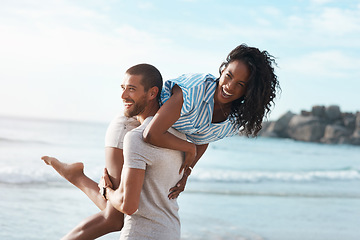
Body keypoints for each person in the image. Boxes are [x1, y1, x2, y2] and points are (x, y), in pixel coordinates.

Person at [42, 43, 280, 238]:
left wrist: (186, 173)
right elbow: (152, 133)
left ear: (249, 91)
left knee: (126, 212)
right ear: (222, 70)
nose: (229, 86)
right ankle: (77, 176)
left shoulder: (233, 119)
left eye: (240, 85)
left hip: (156, 144)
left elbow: (204, 137)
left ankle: (76, 176)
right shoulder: (195, 89)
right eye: (228, 76)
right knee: (115, 218)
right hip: (132, 127)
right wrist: (188, 149)